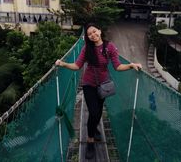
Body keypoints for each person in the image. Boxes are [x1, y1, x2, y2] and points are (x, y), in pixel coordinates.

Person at [55, 23, 142, 159]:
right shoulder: (86, 49)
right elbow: (77, 65)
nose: (93, 35)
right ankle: (90, 141)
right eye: (89, 34)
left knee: (99, 111)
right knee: (94, 112)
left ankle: (94, 128)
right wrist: (63, 63)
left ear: (100, 31)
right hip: (88, 84)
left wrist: (131, 65)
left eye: (94, 32)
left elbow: (117, 66)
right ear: (87, 37)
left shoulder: (110, 47)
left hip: (103, 85)